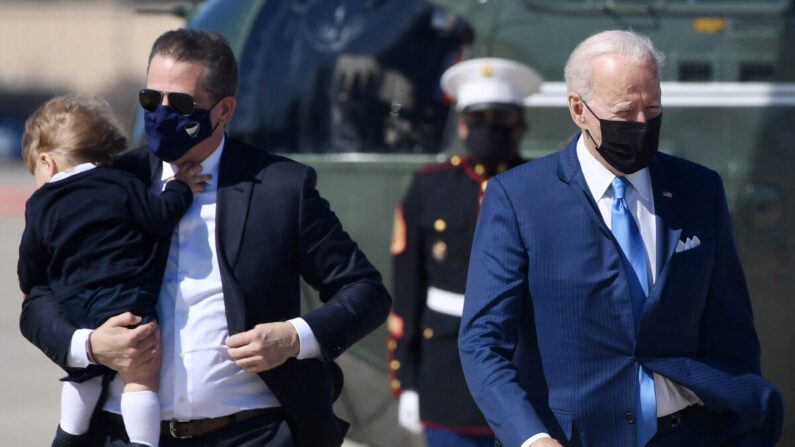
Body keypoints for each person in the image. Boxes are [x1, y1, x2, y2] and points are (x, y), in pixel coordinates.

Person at [20, 29, 391, 447]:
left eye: (179, 103)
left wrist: (292, 338)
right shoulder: (109, 180)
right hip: (120, 434)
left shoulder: (279, 187)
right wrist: (87, 345)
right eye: (149, 100)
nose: (160, 114)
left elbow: (365, 292)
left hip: (250, 433)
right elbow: (37, 296)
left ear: (223, 110)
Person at [458, 30, 784, 447]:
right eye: (625, 112)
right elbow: (482, 343)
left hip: (689, 435)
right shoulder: (519, 198)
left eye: (653, 108)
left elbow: (732, 330)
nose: (642, 125)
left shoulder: (698, 189)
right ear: (578, 109)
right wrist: (530, 438)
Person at [18, 95, 207, 447]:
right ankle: (144, 443)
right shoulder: (120, 183)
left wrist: (28, 284)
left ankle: (69, 434)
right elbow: (159, 216)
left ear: (48, 161)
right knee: (139, 376)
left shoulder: (41, 204)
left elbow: (31, 260)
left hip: (75, 305)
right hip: (128, 297)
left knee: (83, 371)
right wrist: (181, 188)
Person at [387, 58, 542, 446]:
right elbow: (407, 290)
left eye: (501, 119)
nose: (488, 129)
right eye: (478, 119)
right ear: (461, 124)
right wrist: (405, 379)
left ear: (521, 124)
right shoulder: (430, 188)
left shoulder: (543, 186)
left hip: (522, 370)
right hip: (444, 373)